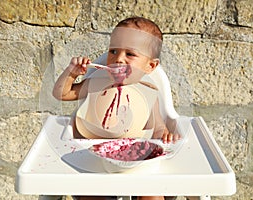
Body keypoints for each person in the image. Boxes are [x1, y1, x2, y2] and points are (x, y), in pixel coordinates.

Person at [53, 16, 180, 200]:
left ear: (150, 65)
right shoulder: (96, 82)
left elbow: (158, 126)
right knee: (90, 194)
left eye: (130, 54)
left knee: (153, 193)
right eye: (113, 51)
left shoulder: (148, 93)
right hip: (94, 162)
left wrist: (165, 135)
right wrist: (71, 73)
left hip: (137, 166)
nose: (118, 59)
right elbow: (62, 94)